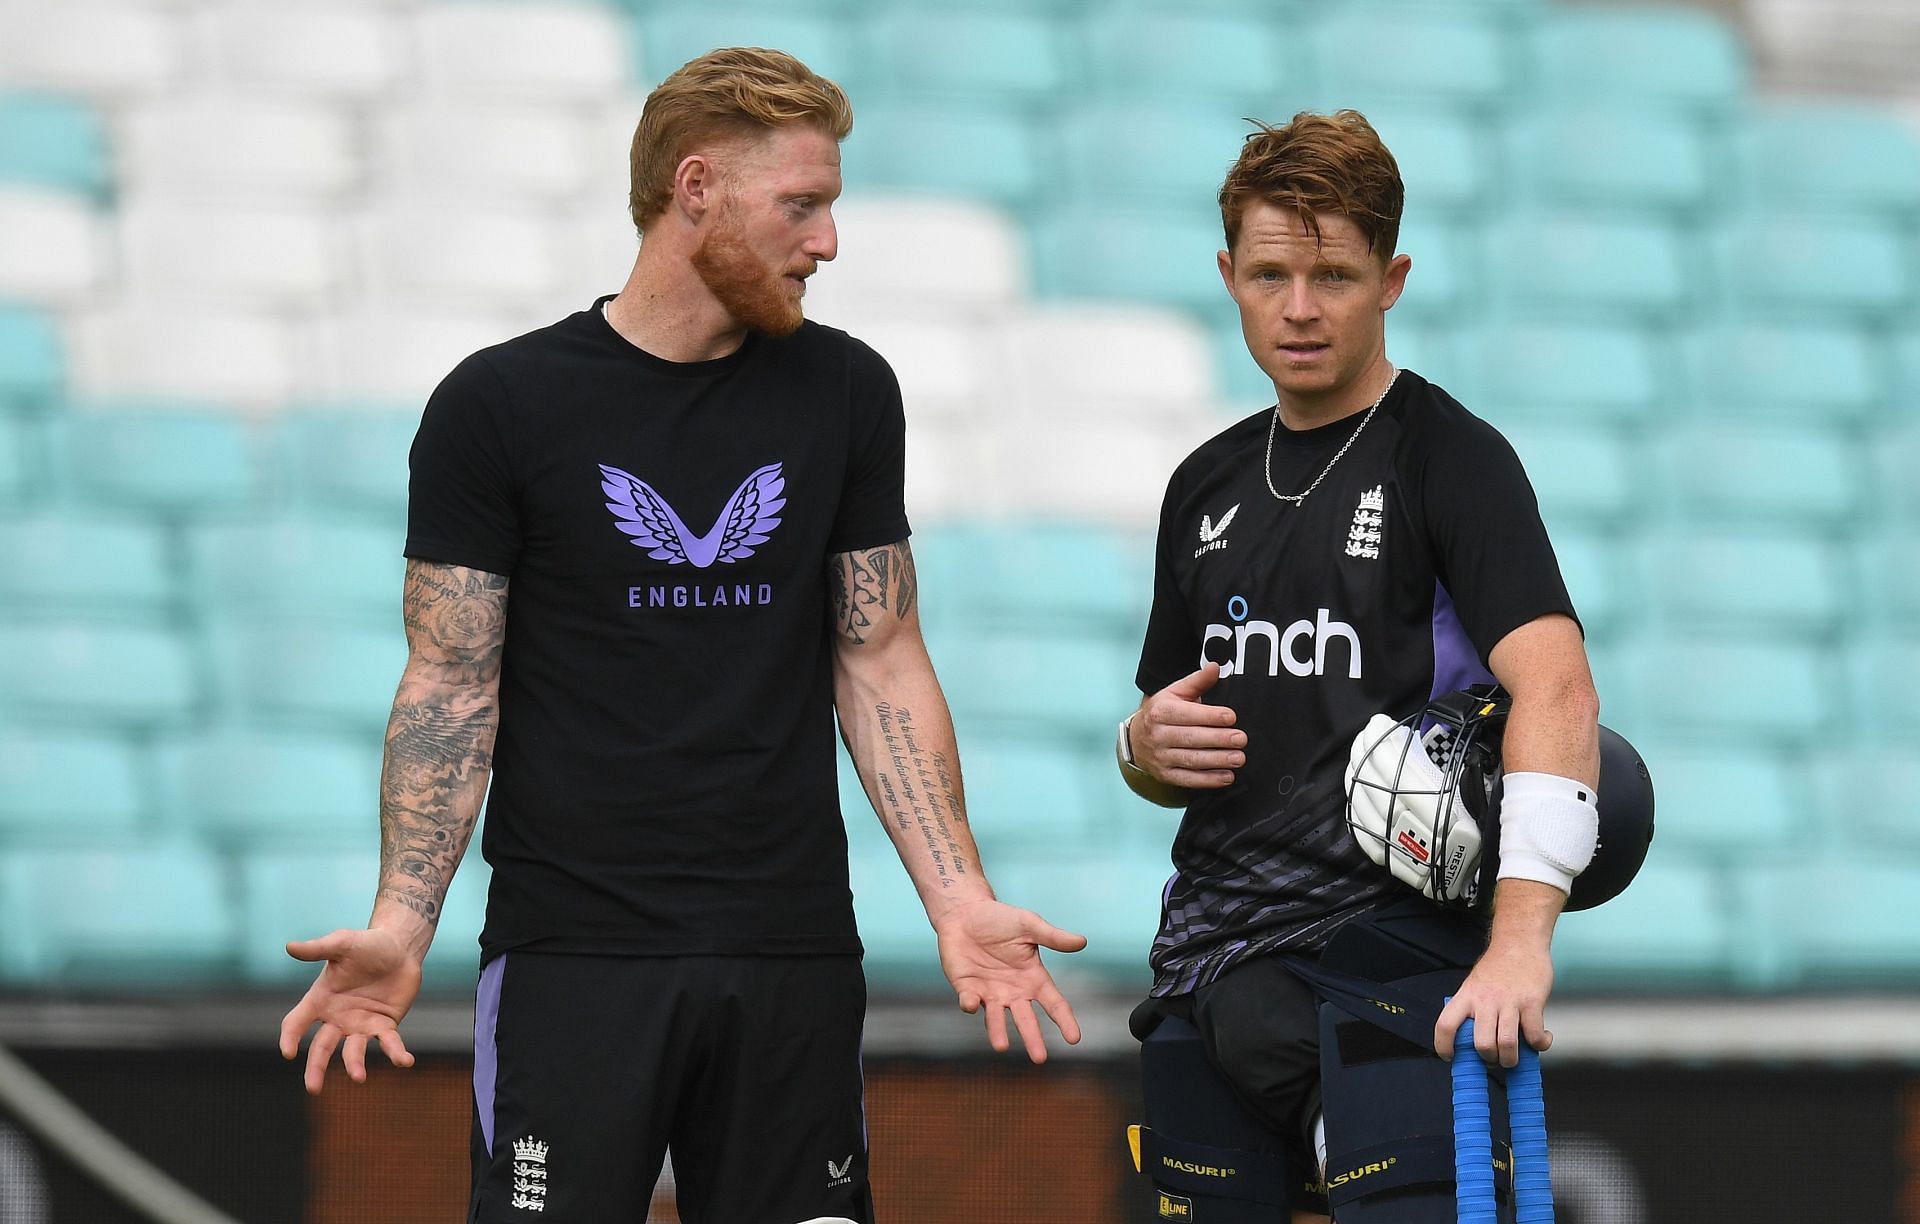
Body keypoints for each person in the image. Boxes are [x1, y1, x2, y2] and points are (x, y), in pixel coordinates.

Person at [276, 47, 1084, 1224]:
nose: (827, 242)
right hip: (573, 959)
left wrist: (957, 898)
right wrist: (404, 921)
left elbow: (880, 656)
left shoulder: (848, 391)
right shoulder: (498, 405)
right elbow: (453, 684)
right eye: (801, 206)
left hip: (791, 951)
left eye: (831, 208)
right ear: (695, 187)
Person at [1117, 111, 1600, 1222]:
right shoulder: (1204, 484)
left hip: (1391, 973)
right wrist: (1141, 746)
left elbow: (1560, 692)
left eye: (1333, 274)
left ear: (1392, 279)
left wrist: (1522, 947)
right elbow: (1160, 736)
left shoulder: (1451, 457)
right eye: (1271, 273)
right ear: (1228, 272)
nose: (1298, 308)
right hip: (1205, 971)